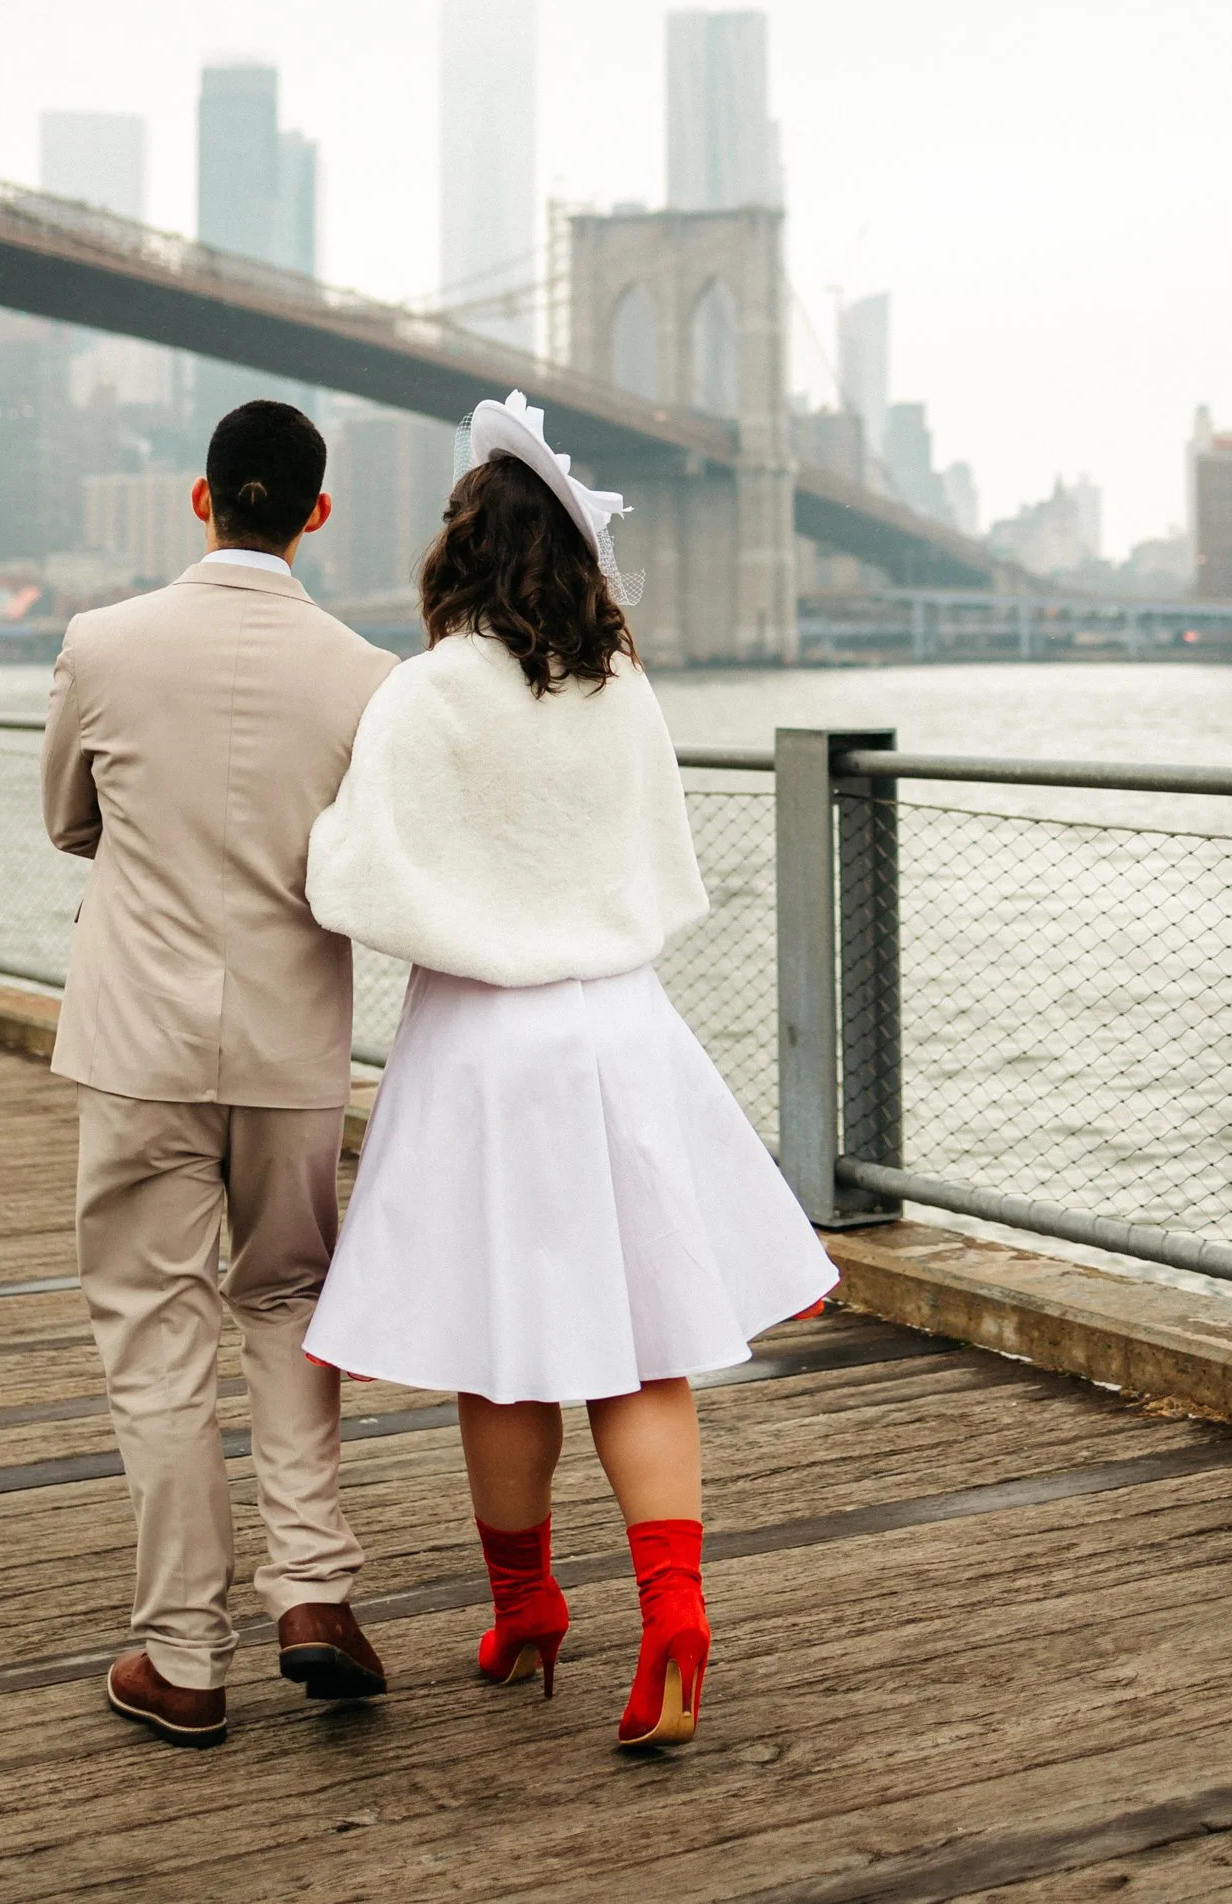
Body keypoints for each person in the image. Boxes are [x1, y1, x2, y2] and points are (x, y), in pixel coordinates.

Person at [303, 390, 837, 1751]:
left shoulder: (426, 693)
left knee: (507, 1354)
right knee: (641, 1351)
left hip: (487, 1050)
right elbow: (663, 864)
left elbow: (354, 876)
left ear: (462, 551)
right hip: (622, 1036)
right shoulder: (623, 691)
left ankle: (527, 1604)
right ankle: (674, 1613)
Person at [42, 397, 396, 1750]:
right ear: (317, 515)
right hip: (291, 1043)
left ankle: (185, 1655)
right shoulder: (368, 677)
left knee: (156, 1327)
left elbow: (69, 819)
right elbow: (366, 862)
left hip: (140, 1036)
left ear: (200, 499)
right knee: (294, 1298)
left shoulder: (102, 643)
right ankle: (313, 1595)